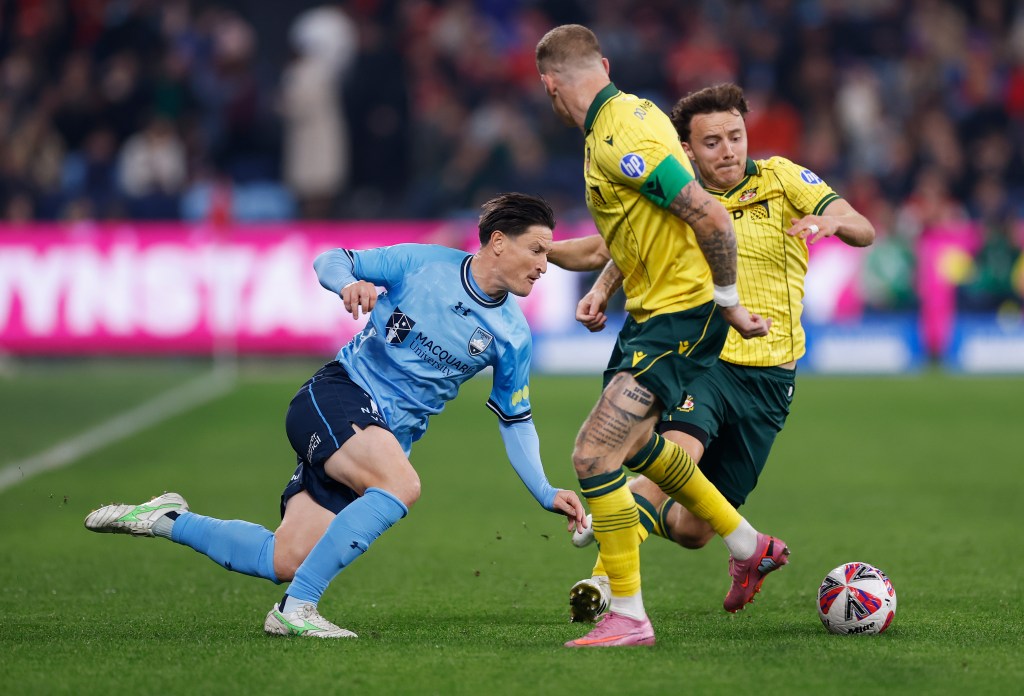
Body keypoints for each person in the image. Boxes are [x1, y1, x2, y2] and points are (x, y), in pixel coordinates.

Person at [84, 192, 586, 639]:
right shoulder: (422, 263)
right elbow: (332, 259)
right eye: (537, 250)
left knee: (284, 558)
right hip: (337, 396)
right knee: (401, 484)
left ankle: (165, 518)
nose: (545, 265)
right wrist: (348, 283)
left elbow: (515, 420)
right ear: (498, 242)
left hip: (376, 439)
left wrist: (545, 490)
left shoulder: (513, 335)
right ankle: (296, 609)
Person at [549, 82, 875, 622]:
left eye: (735, 136)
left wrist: (833, 222)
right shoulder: (680, 194)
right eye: (712, 142)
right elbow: (622, 246)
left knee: (692, 529)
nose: (728, 150)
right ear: (688, 150)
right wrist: (599, 288)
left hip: (771, 378)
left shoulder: (783, 178)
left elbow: (864, 229)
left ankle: (703, 540)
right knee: (674, 455)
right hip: (706, 357)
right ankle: (605, 584)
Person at [536, 25, 785, 649]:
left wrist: (727, 303)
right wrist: (568, 267)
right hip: (650, 317)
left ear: (550, 85)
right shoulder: (619, 121)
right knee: (639, 446)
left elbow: (710, 215)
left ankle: (627, 614)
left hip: (679, 316)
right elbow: (626, 235)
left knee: (594, 455)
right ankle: (748, 545)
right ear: (603, 64)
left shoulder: (622, 132)